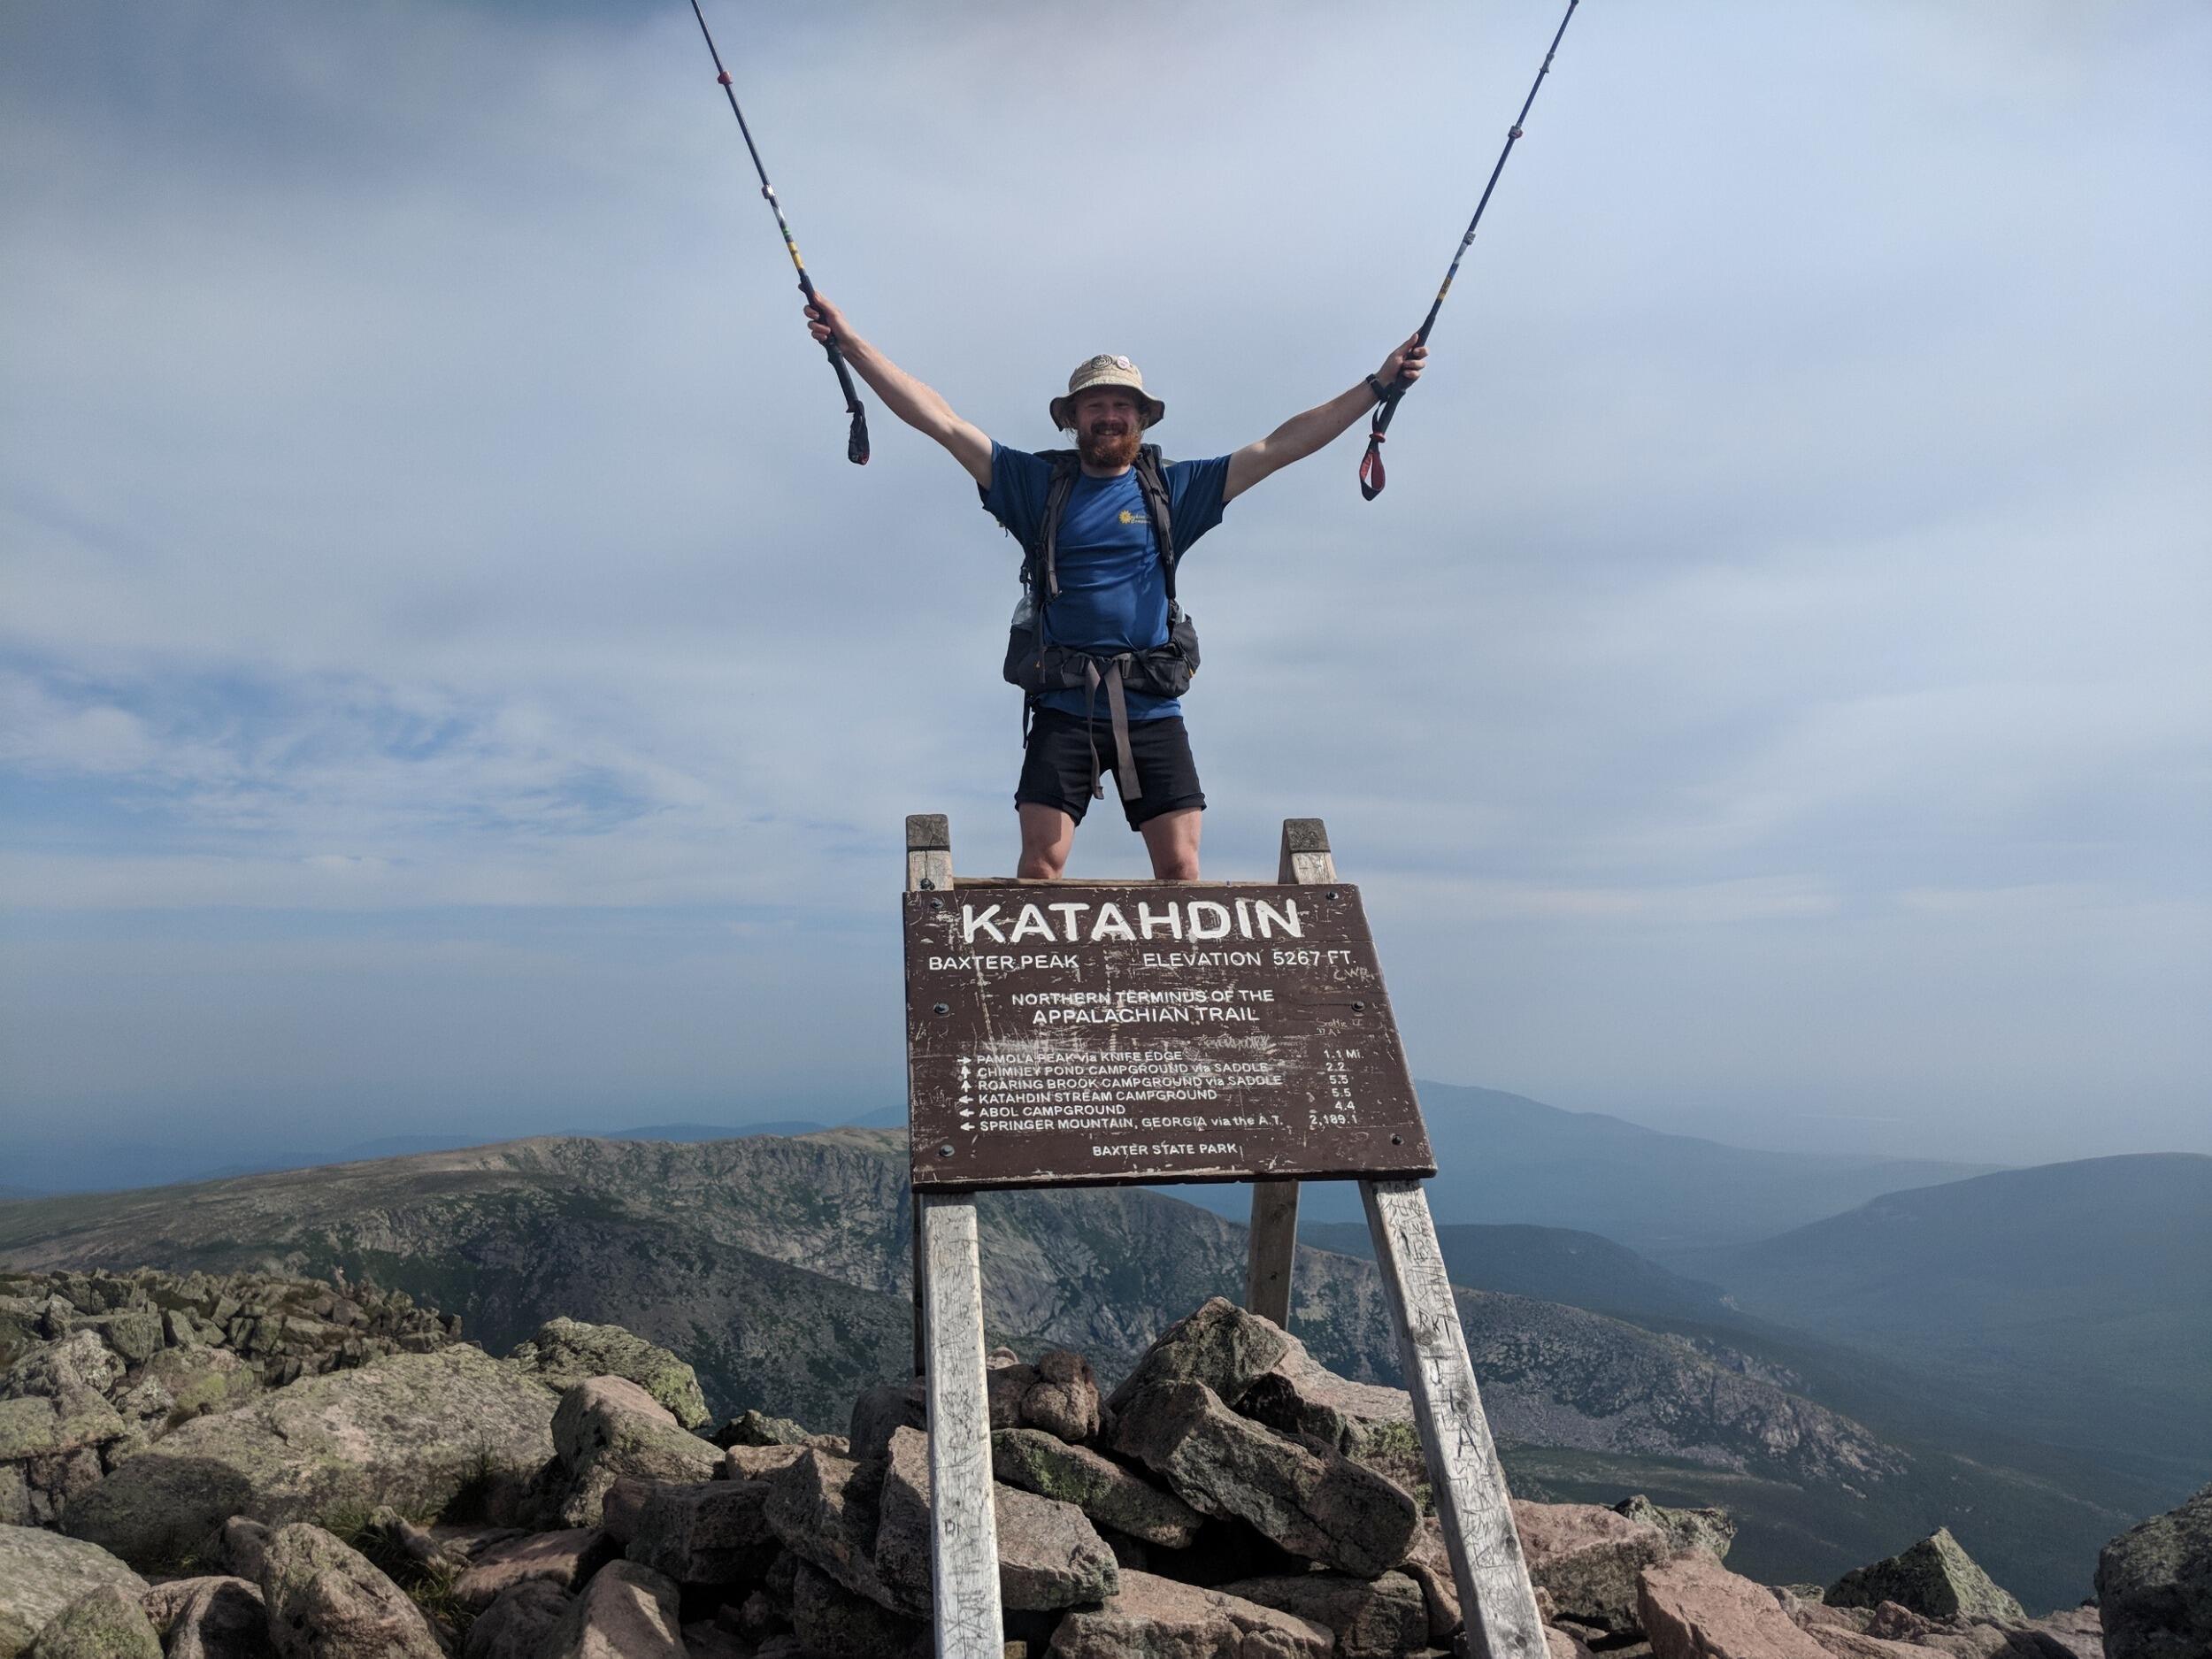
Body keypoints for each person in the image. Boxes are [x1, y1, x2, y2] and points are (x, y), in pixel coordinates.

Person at [803, 295, 1425, 881]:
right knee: (1040, 869)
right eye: (1095, 405)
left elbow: (1280, 446)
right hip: (1063, 705)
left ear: (1142, 417)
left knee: (1181, 870)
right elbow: (939, 419)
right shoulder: (1034, 484)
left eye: (1122, 405)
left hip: (1152, 703)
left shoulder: (1175, 490)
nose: (1109, 416)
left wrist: (1377, 385)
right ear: (1072, 418)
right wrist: (850, 343)